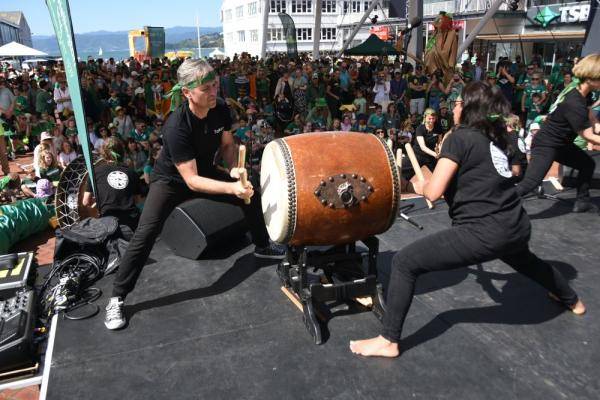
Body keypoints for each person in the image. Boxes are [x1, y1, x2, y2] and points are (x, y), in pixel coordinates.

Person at [349, 81, 585, 358]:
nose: (454, 106)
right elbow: (500, 173)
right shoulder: (496, 138)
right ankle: (572, 300)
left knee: (404, 263)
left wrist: (421, 186)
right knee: (526, 261)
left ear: (470, 108)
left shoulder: (459, 138)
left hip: (483, 230)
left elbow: (434, 192)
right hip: (515, 224)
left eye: (459, 102)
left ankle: (389, 340)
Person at [104, 59, 285, 330]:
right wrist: (230, 187)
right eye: (206, 89)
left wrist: (235, 169)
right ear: (188, 93)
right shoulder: (176, 125)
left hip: (205, 169)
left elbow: (226, 146)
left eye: (215, 86)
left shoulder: (220, 108)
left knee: (250, 195)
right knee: (146, 233)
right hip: (171, 180)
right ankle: (117, 298)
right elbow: (191, 181)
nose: (214, 93)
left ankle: (262, 246)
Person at [516, 54, 600, 213]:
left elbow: (589, 112)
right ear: (590, 78)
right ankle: (495, 207)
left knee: (588, 164)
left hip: (562, 144)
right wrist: (594, 129)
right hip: (546, 144)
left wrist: (596, 123)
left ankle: (582, 201)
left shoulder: (582, 94)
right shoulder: (574, 102)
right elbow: (587, 135)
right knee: (531, 182)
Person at [83, 137, 141, 231]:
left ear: (104, 153)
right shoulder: (132, 173)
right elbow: (137, 200)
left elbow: (85, 202)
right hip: (131, 222)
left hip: (108, 224)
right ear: (122, 152)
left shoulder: (95, 172)